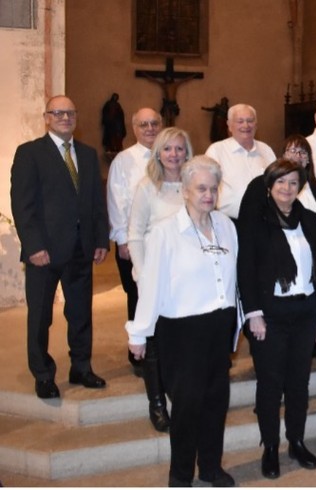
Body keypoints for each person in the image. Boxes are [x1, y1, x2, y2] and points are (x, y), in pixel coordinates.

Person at [126, 156, 238, 487]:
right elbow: (151, 285)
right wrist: (140, 332)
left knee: (216, 403)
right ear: (185, 191)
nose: (208, 194)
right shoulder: (165, 233)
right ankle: (181, 475)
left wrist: (240, 321)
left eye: (213, 188)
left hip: (219, 327)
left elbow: (233, 280)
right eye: (201, 188)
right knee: (187, 409)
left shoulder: (226, 226)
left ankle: (211, 467)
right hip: (183, 331)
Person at [237, 159, 316, 479]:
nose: (287, 188)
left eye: (293, 183)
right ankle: (269, 447)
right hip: (271, 314)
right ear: (269, 185)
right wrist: (253, 314)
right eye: (280, 182)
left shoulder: (308, 218)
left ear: (301, 186)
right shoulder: (256, 220)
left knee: (298, 383)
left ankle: (296, 440)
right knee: (270, 384)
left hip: (304, 311)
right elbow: (246, 271)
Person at [10, 95, 109, 399]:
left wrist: (101, 239)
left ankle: (81, 366)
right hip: (45, 251)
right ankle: (42, 374)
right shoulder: (30, 153)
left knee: (80, 313)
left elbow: (96, 201)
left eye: (70, 112)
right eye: (59, 113)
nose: (65, 117)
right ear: (47, 117)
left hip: (81, 248)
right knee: (40, 315)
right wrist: (34, 245)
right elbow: (22, 205)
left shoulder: (88, 154)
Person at [127, 127, 193, 432]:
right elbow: (135, 235)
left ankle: (181, 397)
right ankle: (156, 403)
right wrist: (142, 275)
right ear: (158, 153)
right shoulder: (146, 187)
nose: (174, 155)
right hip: (154, 275)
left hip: (187, 278)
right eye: (168, 149)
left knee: (180, 342)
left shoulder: (195, 185)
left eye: (180, 149)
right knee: (152, 342)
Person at [106, 107, 162, 376]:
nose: (149, 128)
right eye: (143, 124)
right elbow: (117, 203)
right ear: (134, 127)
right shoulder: (123, 160)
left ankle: (161, 347)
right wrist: (122, 240)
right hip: (134, 241)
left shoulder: (170, 155)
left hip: (164, 242)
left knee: (163, 294)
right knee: (137, 295)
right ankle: (138, 352)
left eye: (154, 123)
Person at [205, 103, 276, 224]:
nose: (246, 125)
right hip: (229, 223)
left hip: (265, 222)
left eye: (250, 121)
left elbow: (277, 183)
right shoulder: (216, 151)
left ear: (256, 124)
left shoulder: (266, 150)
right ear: (229, 125)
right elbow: (206, 187)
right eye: (240, 121)